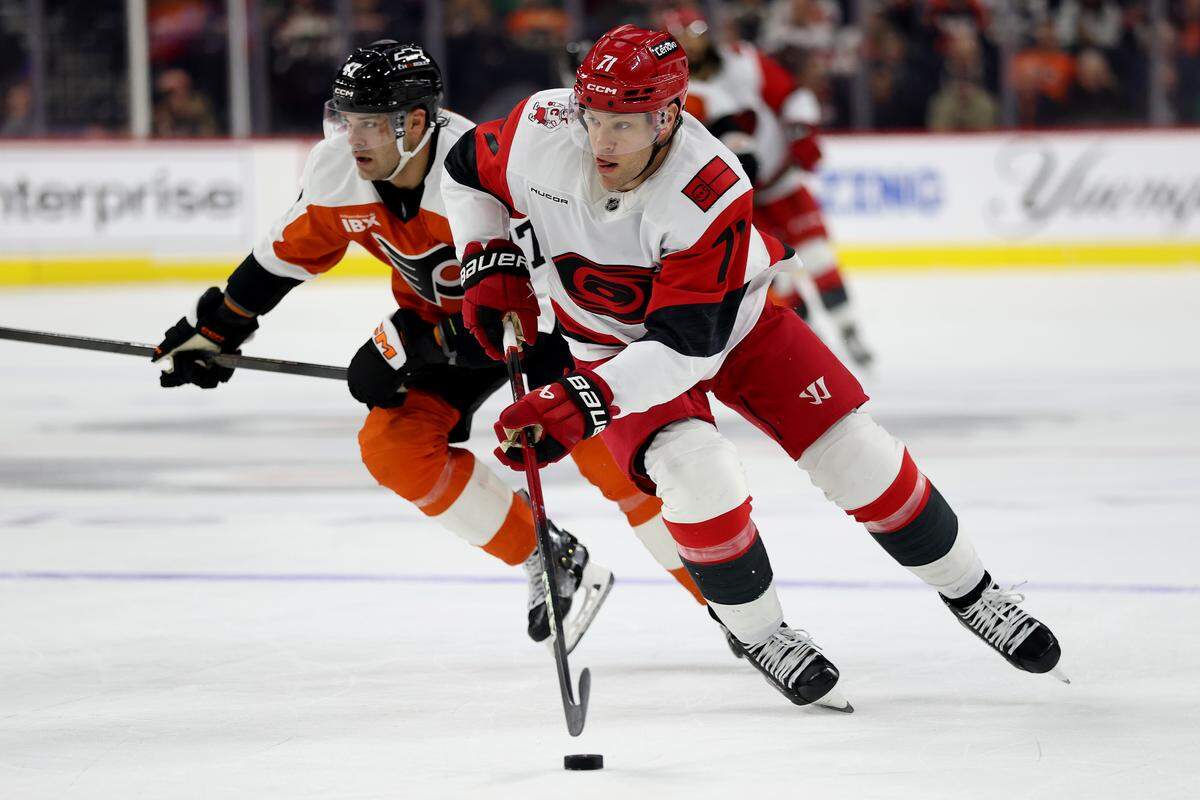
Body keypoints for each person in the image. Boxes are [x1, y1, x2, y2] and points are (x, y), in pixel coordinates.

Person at [441, 24, 1066, 709]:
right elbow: (465, 173)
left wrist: (581, 401)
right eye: (593, 117)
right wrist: (486, 258)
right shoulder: (541, 127)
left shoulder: (707, 187)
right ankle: (762, 634)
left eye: (623, 124)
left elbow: (685, 347)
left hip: (734, 328)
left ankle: (974, 593)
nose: (601, 142)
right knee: (695, 473)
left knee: (856, 455)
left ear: (667, 116)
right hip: (608, 346)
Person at [150, 40, 707, 654]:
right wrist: (217, 329)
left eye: (369, 124)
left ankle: (727, 602)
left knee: (615, 461)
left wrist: (409, 345)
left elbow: (545, 299)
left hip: (551, 327)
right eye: (346, 120)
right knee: (394, 446)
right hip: (442, 329)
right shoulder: (337, 171)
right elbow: (282, 257)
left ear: (415, 123)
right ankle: (550, 557)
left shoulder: (482, 170)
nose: (352, 138)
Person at [663, 8, 874, 368]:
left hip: (781, 183)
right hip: (738, 200)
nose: (690, 42)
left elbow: (793, 96)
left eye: (694, 32)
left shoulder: (743, 61)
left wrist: (801, 130)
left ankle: (849, 330)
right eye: (680, 36)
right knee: (775, 278)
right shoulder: (674, 87)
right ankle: (810, 342)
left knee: (819, 258)